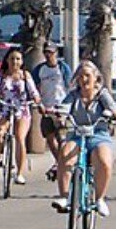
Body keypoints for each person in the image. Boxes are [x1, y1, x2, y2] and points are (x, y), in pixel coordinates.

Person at [50, 61, 116, 217]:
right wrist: (60, 116)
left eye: (87, 76)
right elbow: (63, 109)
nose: (84, 80)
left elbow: (113, 107)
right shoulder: (73, 96)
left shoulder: (102, 95)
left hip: (98, 135)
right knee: (65, 153)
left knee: (104, 161)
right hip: (77, 133)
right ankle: (64, 197)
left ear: (96, 78)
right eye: (81, 76)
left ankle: (100, 199)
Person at [0, 48, 41, 186]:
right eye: (12, 59)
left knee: (20, 138)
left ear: (22, 61)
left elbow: (33, 90)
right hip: (5, 107)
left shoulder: (25, 75)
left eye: (18, 59)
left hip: (21, 109)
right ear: (7, 60)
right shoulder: (2, 74)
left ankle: (20, 173)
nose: (15, 62)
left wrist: (35, 98)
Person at [31, 43, 73, 181]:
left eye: (51, 52)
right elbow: (34, 87)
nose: (49, 55)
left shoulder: (63, 68)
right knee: (50, 137)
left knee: (62, 137)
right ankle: (59, 162)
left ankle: (60, 164)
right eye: (46, 52)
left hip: (61, 108)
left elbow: (70, 86)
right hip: (46, 107)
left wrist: (68, 106)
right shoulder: (40, 70)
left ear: (56, 53)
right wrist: (38, 103)